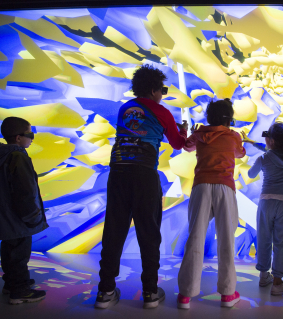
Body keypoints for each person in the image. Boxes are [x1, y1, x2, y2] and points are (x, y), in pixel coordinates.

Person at [95, 64, 188, 309]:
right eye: (163, 89)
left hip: (117, 174)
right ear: (154, 90)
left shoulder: (125, 109)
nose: (163, 94)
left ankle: (105, 291)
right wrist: (184, 132)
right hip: (144, 175)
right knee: (149, 232)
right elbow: (179, 145)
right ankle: (149, 292)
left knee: (113, 231)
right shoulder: (162, 111)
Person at [177, 98, 245, 309]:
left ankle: (185, 296)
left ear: (209, 117)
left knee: (195, 238)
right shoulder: (233, 137)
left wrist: (184, 131)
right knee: (226, 239)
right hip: (225, 188)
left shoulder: (199, 134)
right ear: (229, 118)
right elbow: (240, 153)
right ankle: (227, 294)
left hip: (201, 188)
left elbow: (186, 146)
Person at [0, 117, 48, 305]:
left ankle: (12, 283)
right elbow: (25, 190)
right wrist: (33, 216)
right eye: (30, 134)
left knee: (9, 250)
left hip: (7, 217)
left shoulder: (5, 155)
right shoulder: (18, 156)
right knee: (19, 253)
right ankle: (20, 291)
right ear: (18, 137)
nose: (32, 138)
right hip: (19, 219)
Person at [242, 122, 283, 295]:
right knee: (281, 243)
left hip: (266, 203)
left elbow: (251, 174)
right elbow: (270, 150)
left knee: (264, 239)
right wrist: (254, 143)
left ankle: (263, 276)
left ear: (271, 141)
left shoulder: (263, 158)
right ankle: (277, 282)